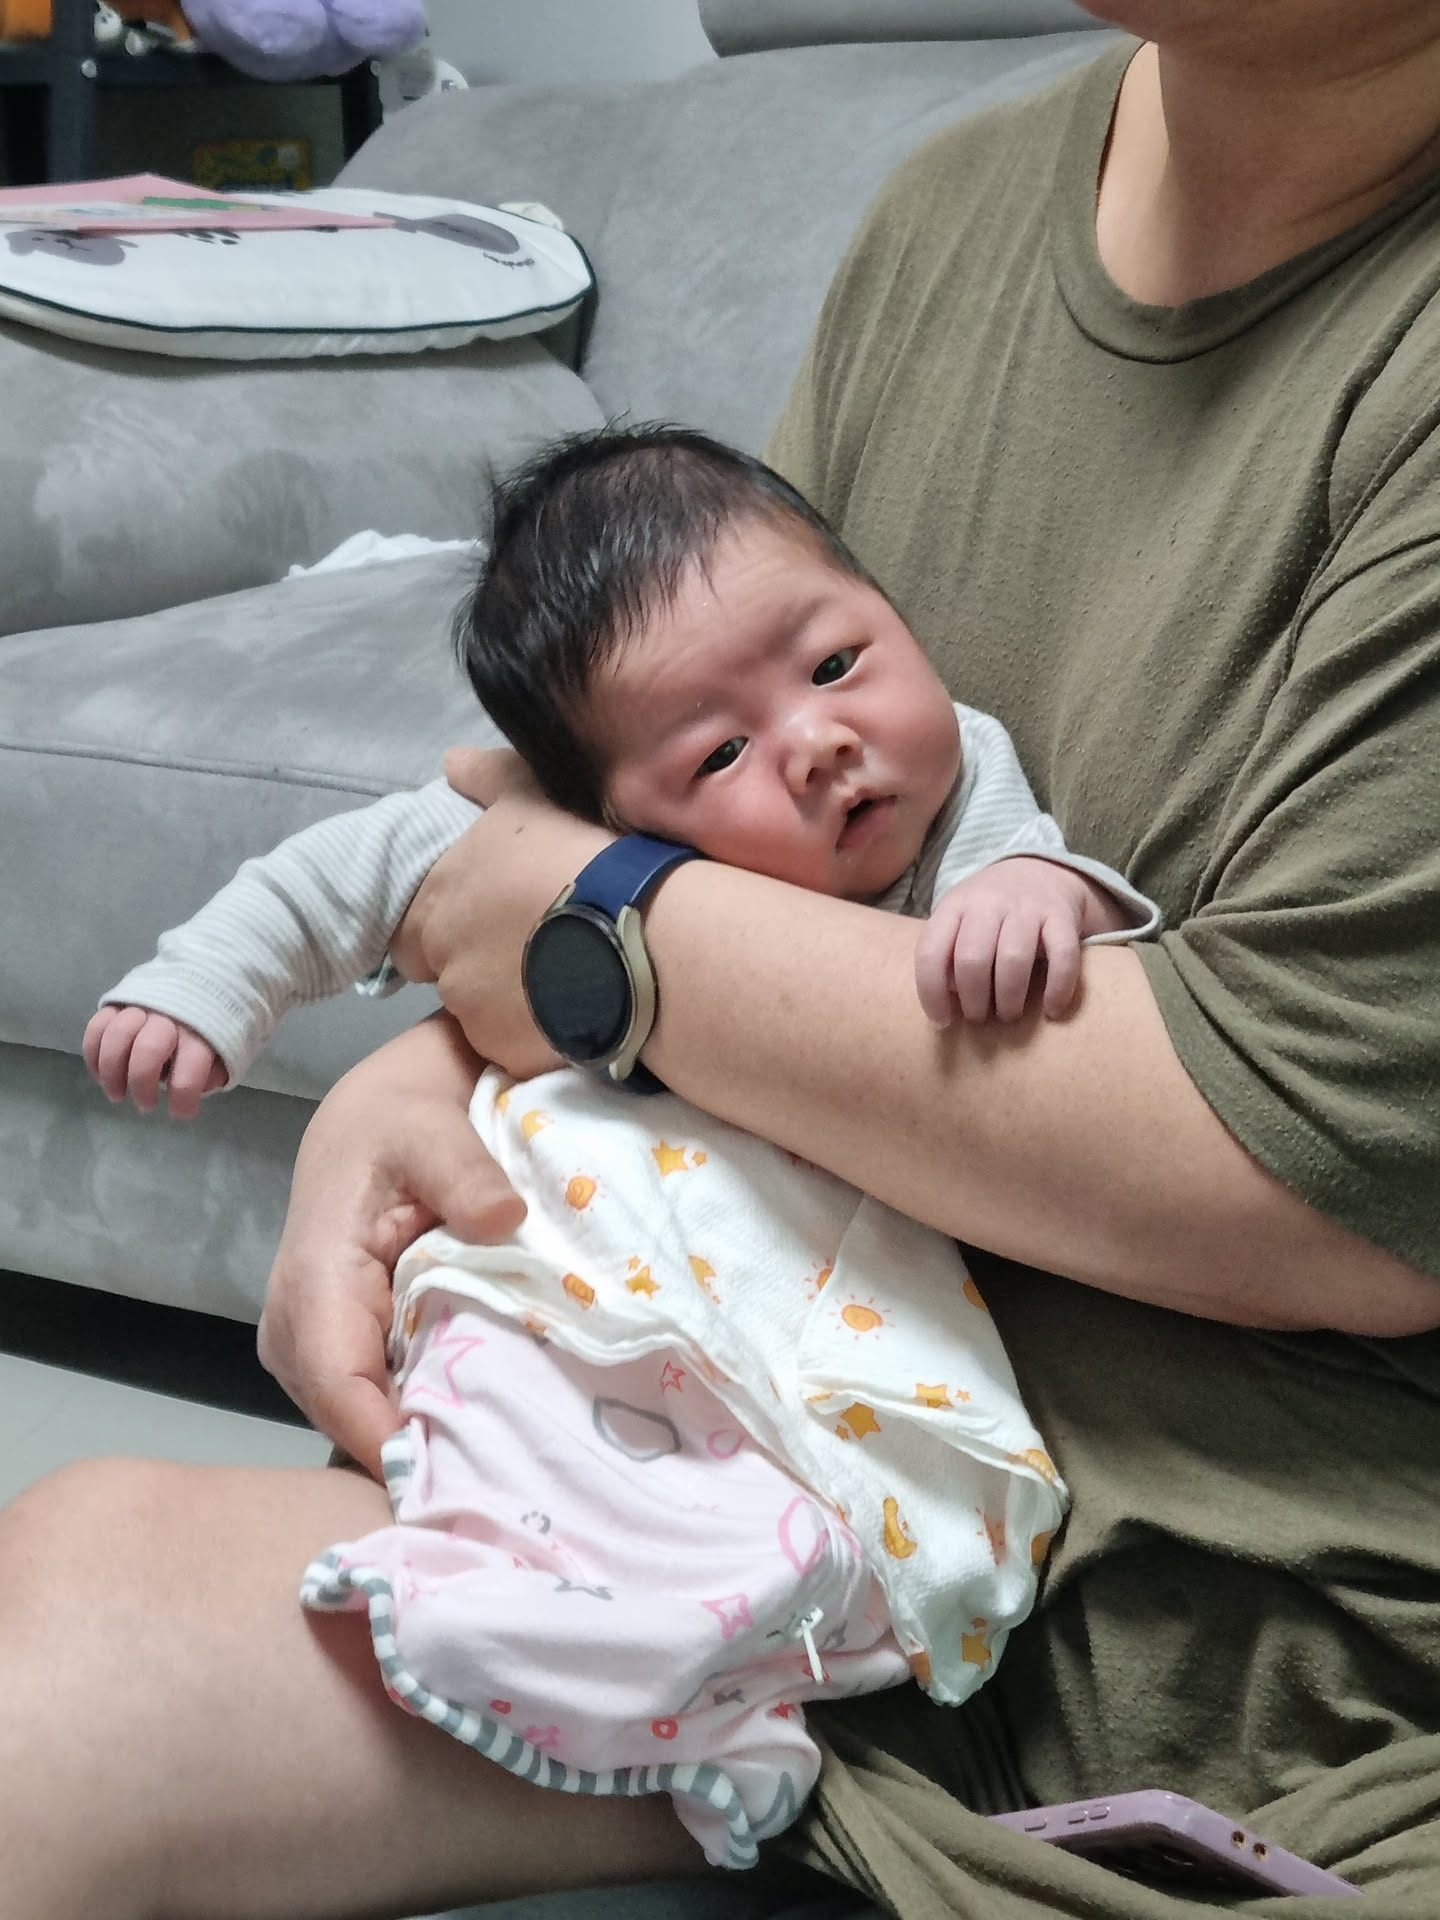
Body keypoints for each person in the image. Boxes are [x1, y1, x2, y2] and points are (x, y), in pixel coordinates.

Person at [5, 7, 1440, 1919]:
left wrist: (581, 937)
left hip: (1289, 1691)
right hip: (740, 1511)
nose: (826, 742)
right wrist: (425, 1069)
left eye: (843, 674)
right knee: (75, 1605)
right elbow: (625, 832)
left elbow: (1310, 1174)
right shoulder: (956, 214)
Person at [83, 426, 1156, 1864]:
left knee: (784, 1512)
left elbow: (1044, 897)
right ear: (608, 810)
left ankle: (726, 1708)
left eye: (838, 662)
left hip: (804, 1291)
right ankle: (495, 1624)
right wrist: (201, 988)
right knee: (515, 1434)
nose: (819, 741)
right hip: (590, 1245)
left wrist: (1036, 886)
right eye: (720, 753)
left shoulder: (962, 785)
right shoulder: (557, 826)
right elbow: (335, 879)